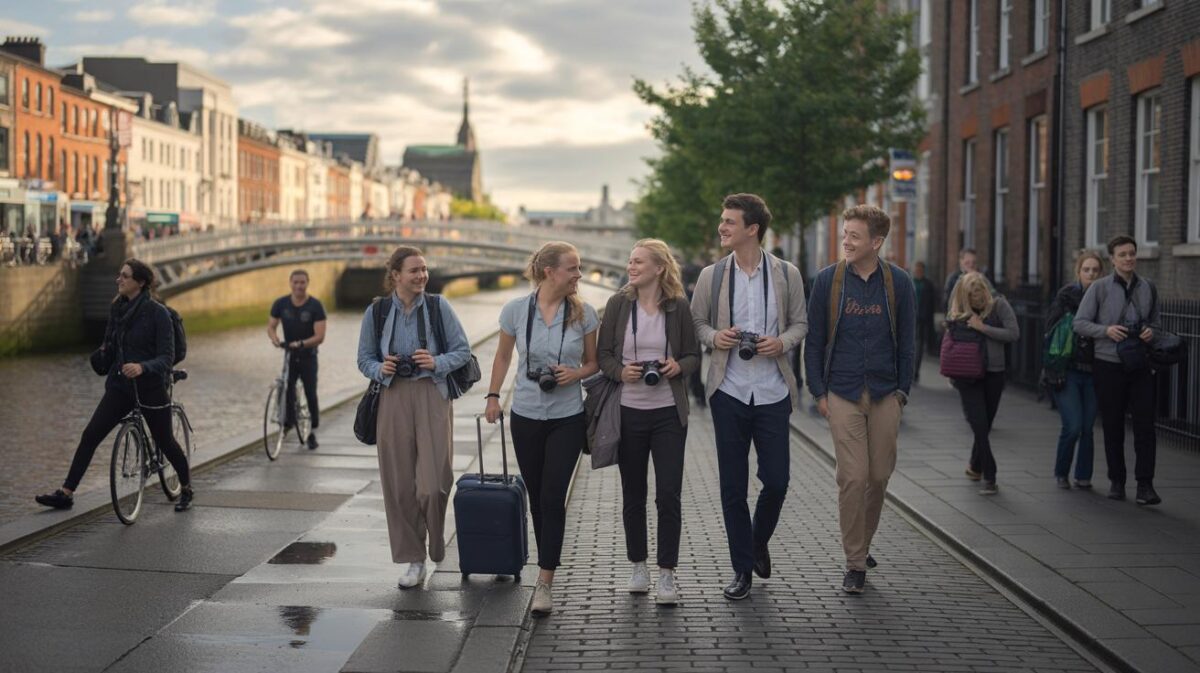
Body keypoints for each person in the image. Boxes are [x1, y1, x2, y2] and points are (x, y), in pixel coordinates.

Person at [690, 193, 808, 601]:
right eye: (722, 220)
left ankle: (757, 541)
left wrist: (782, 343)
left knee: (777, 481)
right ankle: (742, 569)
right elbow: (697, 323)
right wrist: (714, 337)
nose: (722, 227)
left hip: (773, 391)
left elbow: (800, 323)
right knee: (732, 488)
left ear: (752, 229)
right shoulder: (713, 275)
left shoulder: (787, 273)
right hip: (729, 391)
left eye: (729, 222)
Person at [804, 205, 916, 595]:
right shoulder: (828, 281)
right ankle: (855, 562)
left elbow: (908, 340)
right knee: (852, 477)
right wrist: (818, 390)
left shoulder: (898, 282)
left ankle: (862, 544)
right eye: (845, 234)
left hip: (886, 391)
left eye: (854, 235)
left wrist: (903, 391)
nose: (846, 241)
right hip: (842, 390)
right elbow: (814, 339)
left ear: (876, 242)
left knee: (879, 476)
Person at [484, 241, 600, 615]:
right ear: (550, 271)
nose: (578, 276)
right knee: (536, 496)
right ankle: (541, 569)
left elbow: (594, 363)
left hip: (567, 416)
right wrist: (492, 396)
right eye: (573, 268)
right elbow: (503, 356)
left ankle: (545, 582)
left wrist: (576, 373)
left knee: (553, 496)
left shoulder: (585, 314)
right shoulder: (516, 310)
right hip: (526, 413)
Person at [35, 259, 194, 512]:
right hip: (120, 387)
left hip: (151, 386)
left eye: (125, 276)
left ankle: (186, 488)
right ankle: (66, 493)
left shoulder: (158, 314)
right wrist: (100, 355)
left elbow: (166, 357)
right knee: (90, 435)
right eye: (119, 275)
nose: (118, 280)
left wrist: (143, 367)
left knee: (165, 441)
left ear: (140, 283)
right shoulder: (117, 310)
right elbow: (110, 345)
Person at [356, 246, 472, 588]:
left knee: (433, 484)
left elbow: (463, 350)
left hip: (431, 394)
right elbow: (363, 359)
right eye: (414, 270)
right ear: (395, 275)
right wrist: (381, 368)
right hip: (392, 395)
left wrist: (437, 362)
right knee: (399, 484)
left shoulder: (439, 307)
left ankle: (435, 540)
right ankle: (413, 559)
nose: (422, 275)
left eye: (424, 269)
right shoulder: (376, 312)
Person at [597, 239, 700, 605]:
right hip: (628, 411)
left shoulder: (678, 307)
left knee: (668, 493)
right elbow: (604, 356)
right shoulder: (617, 304)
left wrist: (677, 367)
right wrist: (621, 371)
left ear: (659, 268)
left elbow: (692, 355)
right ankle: (638, 565)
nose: (631, 266)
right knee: (633, 494)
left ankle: (667, 573)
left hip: (669, 414)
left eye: (639, 261)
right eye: (630, 261)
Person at [1073, 236, 1161, 506]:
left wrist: (1151, 332)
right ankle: (1117, 481)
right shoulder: (1099, 288)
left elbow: (1157, 323)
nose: (1128, 259)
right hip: (1108, 364)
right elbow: (1080, 323)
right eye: (1122, 254)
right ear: (1112, 259)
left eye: (1132, 253)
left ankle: (1145, 485)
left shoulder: (1148, 287)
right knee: (1113, 425)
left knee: (1146, 425)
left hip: (1140, 364)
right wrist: (1106, 330)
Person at [945, 272, 1019, 496]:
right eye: (972, 298)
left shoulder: (999, 305)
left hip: (994, 373)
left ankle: (975, 466)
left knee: (984, 425)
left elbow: (1013, 334)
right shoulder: (958, 311)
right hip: (967, 376)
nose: (977, 301)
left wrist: (983, 328)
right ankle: (990, 475)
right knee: (978, 423)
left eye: (980, 296)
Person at [1045, 251, 1103, 490]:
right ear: (1078, 272)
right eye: (1086, 269)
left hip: (1094, 371)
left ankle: (1083, 476)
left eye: (1095, 270)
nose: (1090, 274)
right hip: (1067, 371)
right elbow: (1050, 331)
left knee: (1088, 428)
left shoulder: (1105, 297)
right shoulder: (1066, 296)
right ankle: (1061, 472)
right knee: (1073, 425)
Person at [268, 269, 327, 449]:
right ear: (290, 283)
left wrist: (302, 343)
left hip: (308, 356)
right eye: (296, 282)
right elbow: (271, 326)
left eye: (302, 282)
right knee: (287, 387)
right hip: (289, 355)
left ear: (307, 283)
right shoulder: (281, 304)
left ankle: (312, 431)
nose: (299, 286)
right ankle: (288, 422)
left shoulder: (315, 306)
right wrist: (275, 338)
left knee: (310, 393)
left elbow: (320, 336)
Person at [911, 261, 937, 382]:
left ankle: (915, 371)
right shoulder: (909, 282)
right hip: (909, 318)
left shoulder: (928, 284)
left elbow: (932, 303)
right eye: (916, 270)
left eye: (920, 270)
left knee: (919, 345)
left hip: (922, 319)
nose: (918, 272)